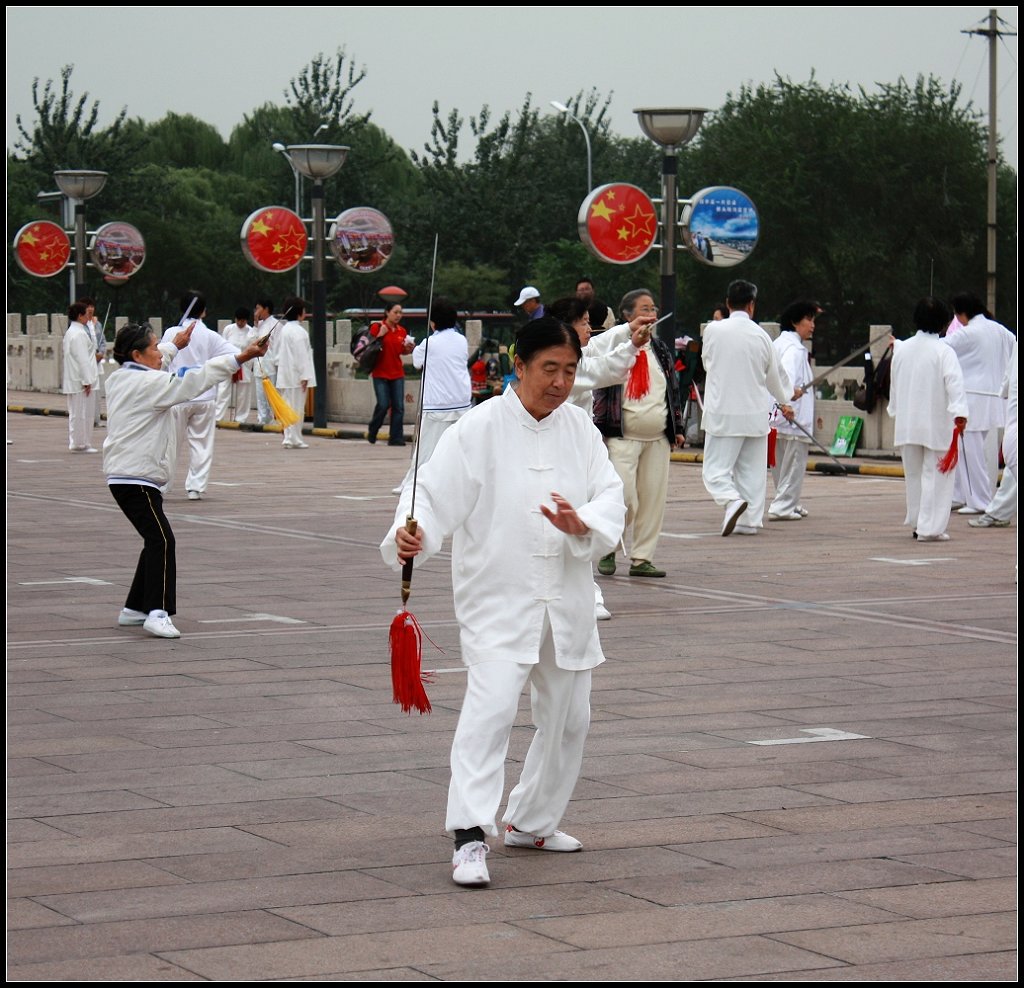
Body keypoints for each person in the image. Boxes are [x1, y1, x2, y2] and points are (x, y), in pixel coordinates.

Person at [381, 318, 625, 888]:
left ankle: (532, 821)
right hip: (498, 595)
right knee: (490, 712)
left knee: (569, 719)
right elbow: (430, 493)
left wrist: (580, 520)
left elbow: (610, 495)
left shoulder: (581, 429)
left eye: (569, 370)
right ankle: (469, 834)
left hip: (565, 597)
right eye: (549, 369)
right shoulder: (479, 426)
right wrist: (410, 533)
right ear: (520, 365)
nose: (561, 382)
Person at [104, 321, 268, 638]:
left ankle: (133, 608)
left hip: (129, 475)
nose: (159, 352)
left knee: (154, 539)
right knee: (162, 540)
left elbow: (161, 357)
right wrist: (241, 357)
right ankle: (157, 611)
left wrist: (174, 345)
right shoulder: (149, 384)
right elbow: (193, 380)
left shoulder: (123, 376)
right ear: (137, 354)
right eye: (153, 347)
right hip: (135, 477)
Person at [548, 297, 653, 618]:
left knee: (576, 521)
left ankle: (583, 592)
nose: (587, 328)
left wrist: (626, 331)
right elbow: (601, 369)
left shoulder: (571, 354)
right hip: (558, 452)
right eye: (582, 322)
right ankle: (585, 594)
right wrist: (632, 346)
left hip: (576, 452)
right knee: (568, 522)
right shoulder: (560, 364)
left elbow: (596, 350)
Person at [592, 290, 683, 577]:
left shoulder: (661, 350)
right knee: (625, 498)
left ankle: (642, 558)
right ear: (628, 317)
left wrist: (677, 428)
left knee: (653, 499)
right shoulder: (612, 347)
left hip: (657, 437)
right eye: (644, 309)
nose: (651, 314)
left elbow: (672, 391)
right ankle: (609, 546)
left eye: (653, 308)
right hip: (622, 436)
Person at [701, 279, 794, 536]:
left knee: (715, 470)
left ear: (728, 303)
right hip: (755, 414)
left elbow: (708, 363)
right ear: (752, 305)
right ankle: (749, 521)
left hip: (723, 411)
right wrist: (786, 399)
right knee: (752, 472)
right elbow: (775, 376)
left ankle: (731, 500)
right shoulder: (762, 335)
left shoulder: (713, 331)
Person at [888, 297, 969, 542]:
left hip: (907, 423)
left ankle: (917, 521)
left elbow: (895, 386)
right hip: (936, 423)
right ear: (945, 324)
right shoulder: (944, 351)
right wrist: (960, 414)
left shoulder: (901, 349)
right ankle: (929, 528)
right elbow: (955, 385)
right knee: (936, 477)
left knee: (913, 476)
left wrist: (895, 410)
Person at [160, 291, 240, 500]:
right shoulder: (210, 335)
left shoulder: (170, 333)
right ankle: (195, 487)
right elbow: (234, 353)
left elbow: (162, 358)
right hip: (204, 395)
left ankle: (163, 483)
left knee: (170, 443)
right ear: (204, 311)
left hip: (177, 395)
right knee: (201, 443)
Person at [945, 293, 1016, 514]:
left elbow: (940, 348)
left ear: (962, 314)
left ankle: (978, 500)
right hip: (994, 398)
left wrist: (900, 345)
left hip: (972, 399)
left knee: (969, 452)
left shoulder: (969, 333)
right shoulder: (1000, 330)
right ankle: (962, 494)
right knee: (972, 451)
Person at [394, 298, 472, 493]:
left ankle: (410, 484)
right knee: (460, 448)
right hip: (462, 403)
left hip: (437, 405)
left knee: (425, 450)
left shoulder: (430, 343)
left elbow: (417, 362)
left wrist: (416, 347)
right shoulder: (462, 340)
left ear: (433, 322)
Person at [768, 300, 819, 520]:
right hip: (791, 416)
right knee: (794, 464)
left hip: (777, 417)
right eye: (808, 319)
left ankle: (788, 501)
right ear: (794, 322)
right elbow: (785, 377)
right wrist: (789, 397)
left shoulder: (778, 344)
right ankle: (783, 507)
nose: (812, 325)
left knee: (782, 465)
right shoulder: (795, 350)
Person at [367, 301, 415, 446]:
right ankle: (373, 428)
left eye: (400, 312)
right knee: (383, 404)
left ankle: (395, 438)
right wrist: (380, 335)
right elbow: (370, 347)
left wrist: (409, 349)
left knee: (398, 407)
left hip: (397, 373)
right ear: (387, 312)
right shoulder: (377, 327)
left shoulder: (402, 331)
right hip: (380, 372)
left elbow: (401, 351)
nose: (398, 315)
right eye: (395, 312)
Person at [274, 296, 316, 449]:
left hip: (285, 375)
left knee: (288, 406)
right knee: (297, 407)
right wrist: (305, 376)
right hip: (296, 376)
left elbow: (277, 354)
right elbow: (302, 356)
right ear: (300, 312)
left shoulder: (284, 330)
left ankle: (289, 437)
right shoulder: (299, 332)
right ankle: (294, 438)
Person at [62, 301, 99, 452]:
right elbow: (83, 359)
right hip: (79, 380)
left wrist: (91, 326)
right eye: (86, 314)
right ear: (79, 316)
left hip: (76, 379)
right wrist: (87, 381)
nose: (88, 317)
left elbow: (91, 349)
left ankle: (81, 442)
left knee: (79, 413)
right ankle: (79, 443)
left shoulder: (75, 331)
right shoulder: (77, 334)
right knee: (81, 413)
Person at [215, 307, 256, 423]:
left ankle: (241, 418)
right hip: (229, 362)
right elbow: (222, 346)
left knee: (243, 393)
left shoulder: (250, 331)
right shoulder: (229, 329)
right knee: (223, 390)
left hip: (244, 364)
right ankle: (218, 417)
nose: (240, 323)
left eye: (243, 321)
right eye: (238, 320)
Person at [251, 298, 278, 426]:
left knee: (271, 395)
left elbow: (278, 346)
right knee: (260, 396)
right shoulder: (259, 326)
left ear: (266, 309)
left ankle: (274, 419)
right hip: (258, 365)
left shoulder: (276, 324)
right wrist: (255, 325)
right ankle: (262, 419)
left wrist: (277, 364)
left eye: (258, 308)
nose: (256, 311)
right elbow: (250, 341)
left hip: (270, 364)